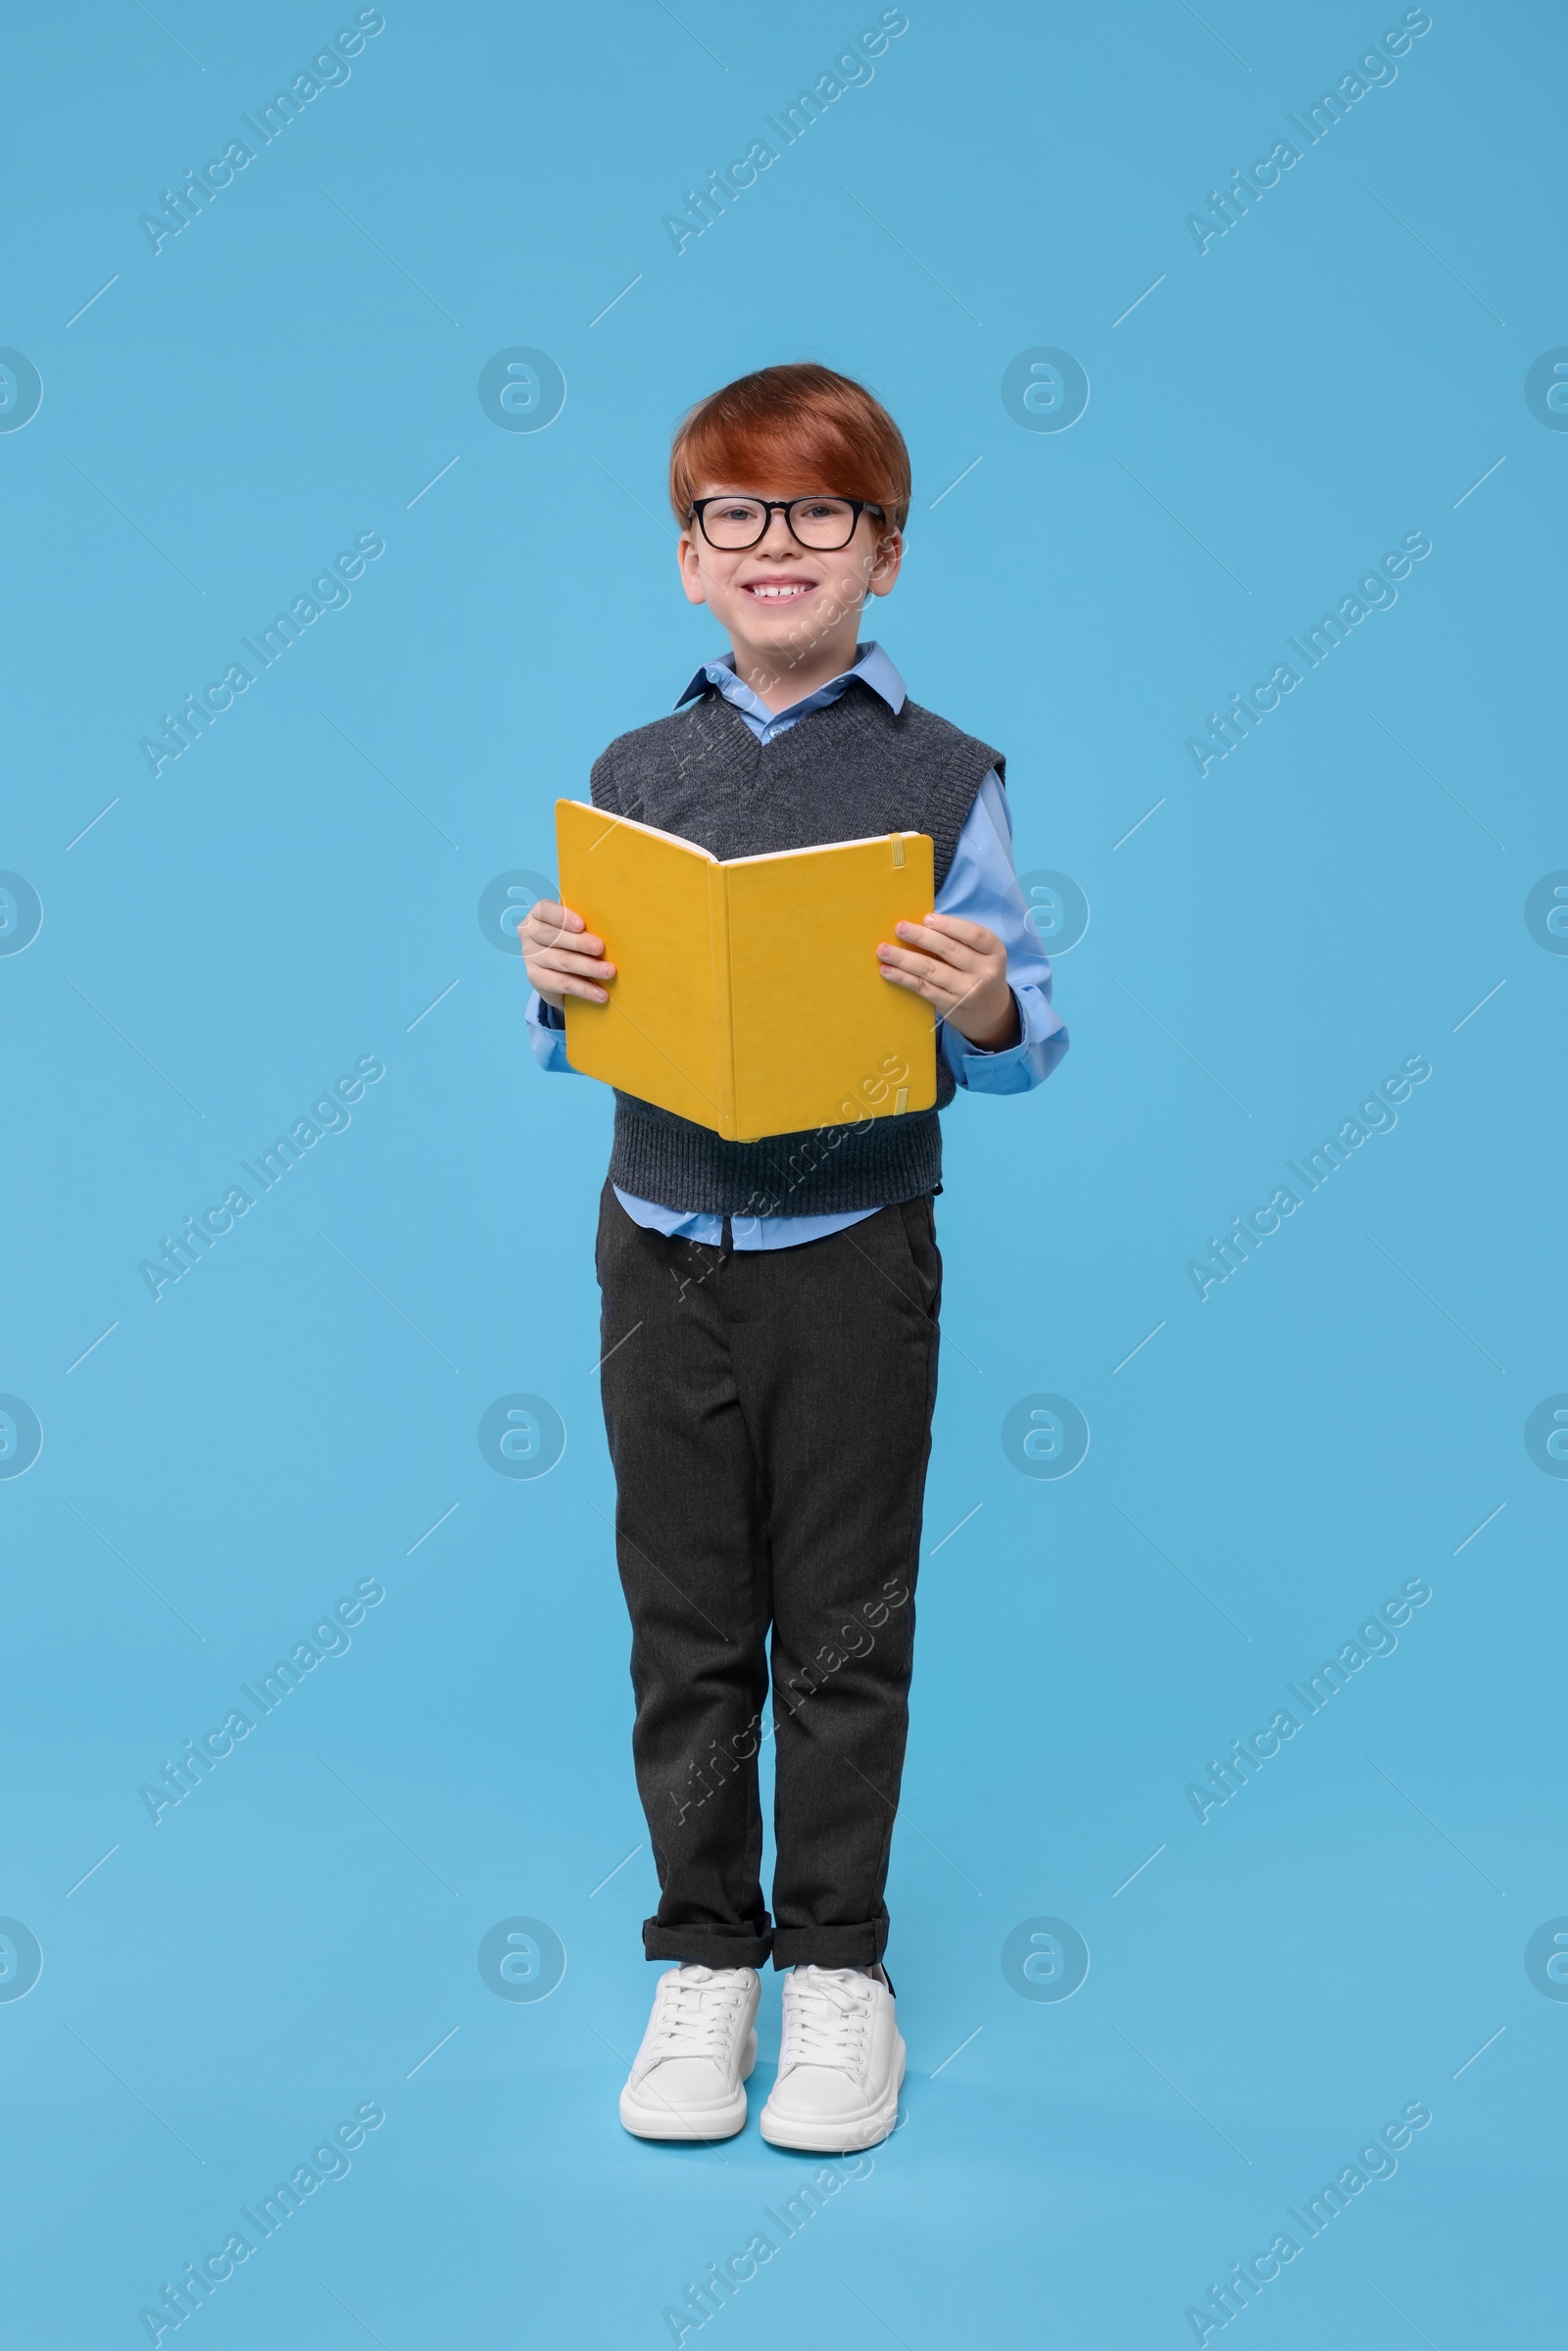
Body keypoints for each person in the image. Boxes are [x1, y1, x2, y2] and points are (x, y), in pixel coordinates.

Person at [521, 362, 1068, 2151]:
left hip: (855, 1248)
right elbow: (599, 1010)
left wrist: (978, 994)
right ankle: (708, 1959)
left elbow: (1019, 1023)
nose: (775, 545)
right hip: (657, 1240)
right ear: (689, 560)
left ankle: (839, 1971)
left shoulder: (944, 773)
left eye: (818, 514)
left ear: (882, 556)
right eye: (734, 517)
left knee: (841, 1618)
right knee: (684, 1618)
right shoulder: (631, 770)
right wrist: (562, 982)